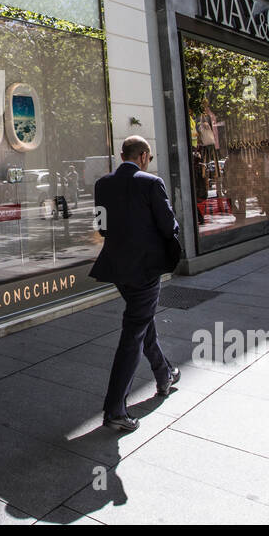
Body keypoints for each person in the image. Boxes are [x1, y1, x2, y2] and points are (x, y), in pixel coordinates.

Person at [90, 135, 182, 433]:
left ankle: (164, 373)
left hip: (118, 269)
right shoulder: (151, 183)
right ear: (143, 155)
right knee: (133, 334)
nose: (149, 161)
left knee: (142, 323)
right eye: (150, 157)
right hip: (144, 269)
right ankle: (115, 409)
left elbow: (101, 227)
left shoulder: (103, 184)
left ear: (122, 155)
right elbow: (169, 226)